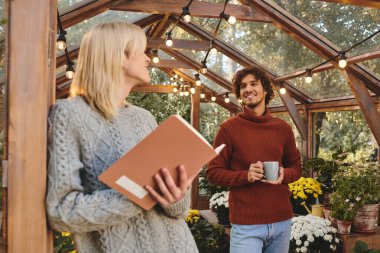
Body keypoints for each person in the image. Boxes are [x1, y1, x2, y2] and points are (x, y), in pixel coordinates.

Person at [46, 22, 199, 253]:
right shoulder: (69, 115)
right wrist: (138, 195)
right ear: (119, 57)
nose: (148, 59)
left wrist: (176, 196)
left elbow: (179, 211)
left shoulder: (144, 117)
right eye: (141, 51)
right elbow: (61, 212)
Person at [207, 67, 301, 253]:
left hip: (282, 221)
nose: (248, 89)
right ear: (240, 94)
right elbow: (213, 172)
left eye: (253, 84)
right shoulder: (228, 129)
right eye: (243, 86)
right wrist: (245, 175)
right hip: (246, 225)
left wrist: (284, 174)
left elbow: (297, 167)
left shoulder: (283, 128)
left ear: (265, 89)